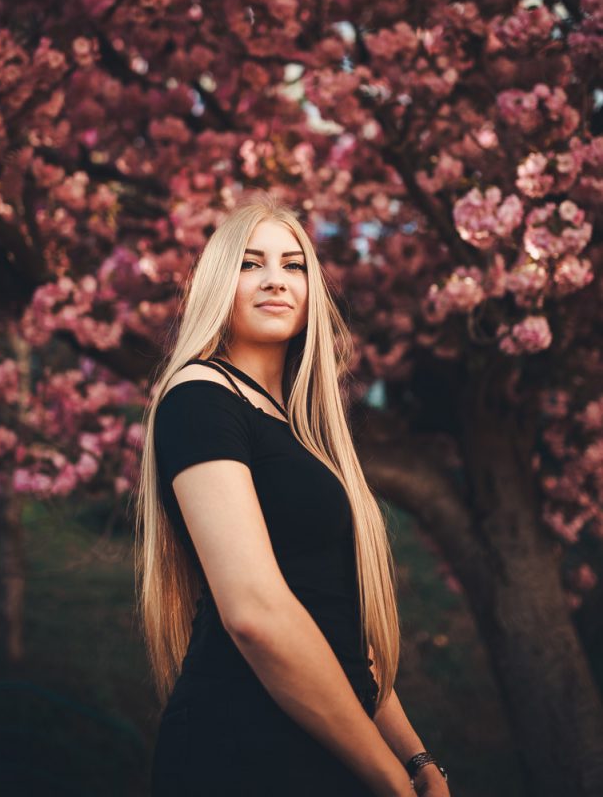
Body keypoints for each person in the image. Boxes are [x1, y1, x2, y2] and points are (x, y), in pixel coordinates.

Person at [135, 192, 451, 797]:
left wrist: (417, 760)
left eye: (294, 265)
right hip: (245, 753)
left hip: (332, 748)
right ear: (217, 286)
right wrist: (391, 780)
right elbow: (254, 613)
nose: (275, 281)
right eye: (250, 264)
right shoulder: (200, 396)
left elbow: (337, 624)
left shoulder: (301, 433)